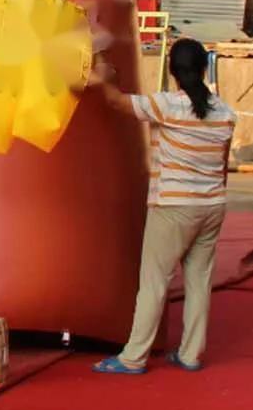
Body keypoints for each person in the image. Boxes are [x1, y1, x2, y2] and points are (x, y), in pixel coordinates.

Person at [82, 37, 235, 374]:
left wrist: (104, 70)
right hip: (212, 205)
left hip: (173, 206)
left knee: (154, 282)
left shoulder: (166, 105)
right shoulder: (226, 112)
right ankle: (191, 354)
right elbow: (222, 165)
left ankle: (133, 357)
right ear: (205, 68)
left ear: (172, 71)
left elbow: (115, 102)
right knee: (199, 282)